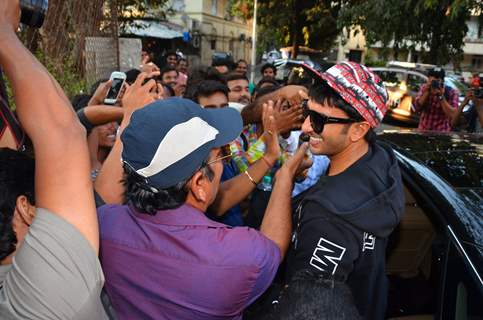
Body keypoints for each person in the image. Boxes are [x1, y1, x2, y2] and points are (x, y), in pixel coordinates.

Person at [97, 97, 308, 319]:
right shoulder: (239, 255)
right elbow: (273, 247)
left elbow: (217, 200)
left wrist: (269, 158)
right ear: (199, 183)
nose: (225, 163)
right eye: (221, 155)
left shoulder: (104, 222)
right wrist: (285, 178)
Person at [0, 1, 109, 317]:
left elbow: (63, 131)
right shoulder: (46, 292)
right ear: (25, 207)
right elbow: (62, 134)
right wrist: (4, 33)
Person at [284, 62, 405, 319]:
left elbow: (307, 308)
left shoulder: (326, 218)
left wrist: (285, 180)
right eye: (307, 112)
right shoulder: (383, 159)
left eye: (318, 120)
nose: (305, 128)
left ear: (359, 129)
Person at [414, 67, 459, 131]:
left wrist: (441, 96)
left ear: (443, 80)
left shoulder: (451, 92)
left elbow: (452, 114)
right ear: (428, 79)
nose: (434, 82)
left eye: (437, 79)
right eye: (432, 79)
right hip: (423, 130)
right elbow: (416, 108)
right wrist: (427, 92)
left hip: (441, 132)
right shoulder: (424, 88)